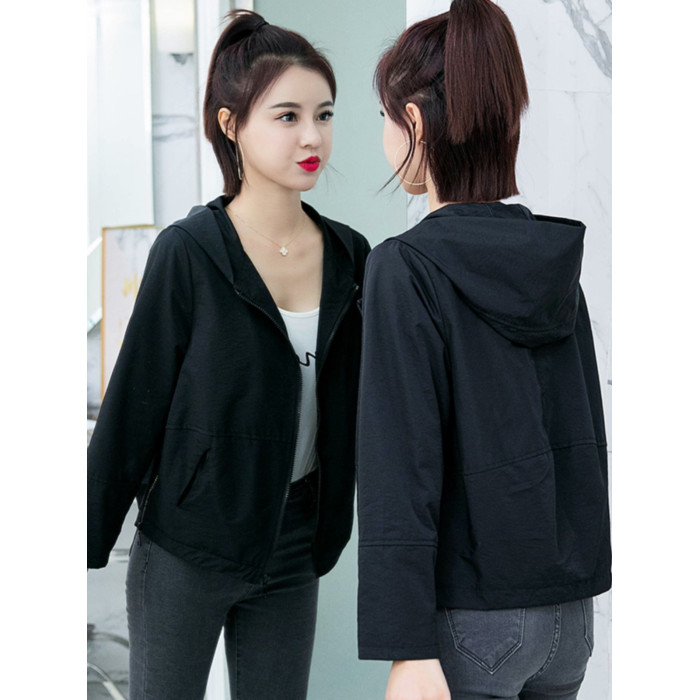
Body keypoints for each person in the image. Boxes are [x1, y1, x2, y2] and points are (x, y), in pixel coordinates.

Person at [87, 10, 370, 700]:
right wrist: (85, 536)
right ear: (230, 124)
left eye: (324, 115)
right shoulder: (189, 253)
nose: (312, 136)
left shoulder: (351, 256)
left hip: (295, 540)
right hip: (189, 544)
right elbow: (134, 405)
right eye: (287, 116)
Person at [356, 1, 611, 699]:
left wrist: (405, 648)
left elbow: (398, 467)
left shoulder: (406, 267)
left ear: (414, 122)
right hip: (569, 620)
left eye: (384, 116)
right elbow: (583, 439)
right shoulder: (552, 261)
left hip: (471, 624)